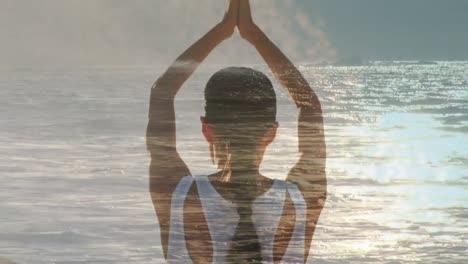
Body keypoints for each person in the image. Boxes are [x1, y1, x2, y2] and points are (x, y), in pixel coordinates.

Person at [146, 0, 327, 263]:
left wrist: (223, 29)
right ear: (272, 133)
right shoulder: (298, 200)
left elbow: (162, 93)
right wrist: (252, 33)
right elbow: (309, 105)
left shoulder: (179, 195)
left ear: (206, 130)